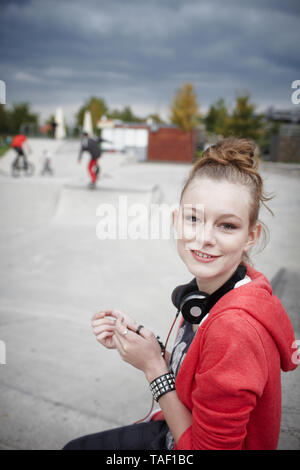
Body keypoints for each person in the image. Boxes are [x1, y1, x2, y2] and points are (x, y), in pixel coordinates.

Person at [63, 138, 298, 450]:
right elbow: (205, 372)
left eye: (227, 226)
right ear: (176, 221)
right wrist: (148, 346)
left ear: (251, 236)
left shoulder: (234, 330)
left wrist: (154, 370)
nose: (204, 237)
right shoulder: (216, 295)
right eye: (193, 218)